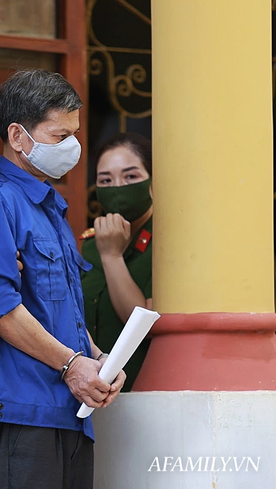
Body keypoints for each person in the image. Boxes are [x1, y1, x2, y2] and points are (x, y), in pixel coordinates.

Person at [0, 69, 126, 489]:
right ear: (18, 137)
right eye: (59, 136)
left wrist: (98, 358)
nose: (72, 146)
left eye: (74, 134)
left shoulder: (51, 206)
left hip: (69, 409)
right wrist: (72, 365)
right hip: (22, 409)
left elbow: (59, 305)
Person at [80, 132, 153, 390]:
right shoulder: (88, 247)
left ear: (153, 183)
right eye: (106, 180)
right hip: (87, 392)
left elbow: (142, 327)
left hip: (142, 392)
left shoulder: (167, 247)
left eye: (131, 176)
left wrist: (112, 255)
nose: (118, 187)